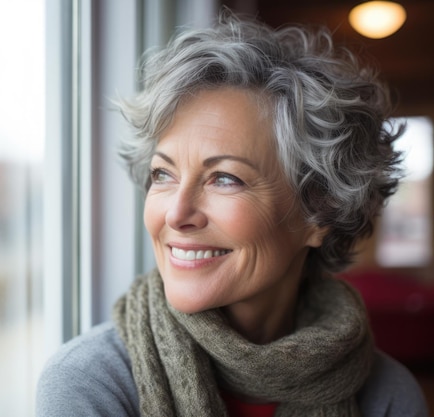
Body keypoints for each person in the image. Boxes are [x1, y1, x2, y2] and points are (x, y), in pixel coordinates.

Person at [36, 10, 429, 417]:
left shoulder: (388, 395)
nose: (176, 214)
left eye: (224, 178)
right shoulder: (89, 383)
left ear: (320, 211)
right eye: (162, 174)